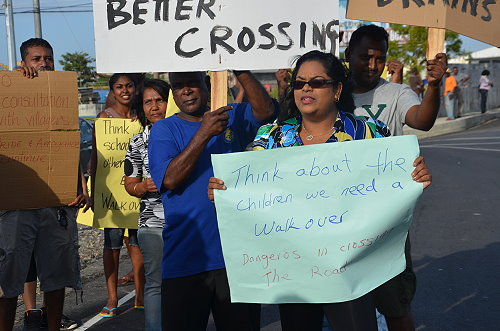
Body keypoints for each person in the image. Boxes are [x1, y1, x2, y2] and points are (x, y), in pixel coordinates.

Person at [208, 50, 432, 331]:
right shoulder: (271, 138)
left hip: (351, 270)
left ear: (337, 89)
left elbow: (393, 187)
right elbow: (249, 197)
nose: (306, 89)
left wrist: (415, 176)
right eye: (299, 83)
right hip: (294, 271)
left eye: (316, 82)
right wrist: (223, 194)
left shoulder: (369, 134)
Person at [148, 70, 277, 331]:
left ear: (207, 84)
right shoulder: (164, 129)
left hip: (235, 260)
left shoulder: (231, 114)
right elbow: (170, 179)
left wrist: (240, 69)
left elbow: (266, 113)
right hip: (185, 259)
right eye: (179, 86)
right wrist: (204, 133)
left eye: (192, 83)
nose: (186, 90)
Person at [345, 24, 446, 331]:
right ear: (349, 55)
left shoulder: (397, 92)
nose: (373, 65)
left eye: (380, 58)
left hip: (387, 222)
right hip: (338, 220)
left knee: (395, 305)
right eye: (366, 57)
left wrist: (433, 85)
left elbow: (422, 120)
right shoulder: (332, 93)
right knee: (346, 308)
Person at [0, 38, 86, 331]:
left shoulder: (61, 97)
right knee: (8, 277)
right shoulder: (9, 92)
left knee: (56, 275)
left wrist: (81, 185)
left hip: (55, 205)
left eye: (48, 58)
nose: (44, 64)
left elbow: (68, 144)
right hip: (16, 208)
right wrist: (14, 81)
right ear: (23, 63)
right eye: (36, 59)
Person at [87, 73, 145, 317]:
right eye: (120, 87)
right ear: (111, 90)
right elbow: (96, 157)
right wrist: (91, 190)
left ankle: (140, 294)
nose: (125, 91)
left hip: (136, 192)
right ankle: (112, 297)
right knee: (111, 247)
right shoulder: (103, 118)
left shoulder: (141, 117)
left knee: (136, 245)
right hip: (110, 194)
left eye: (129, 86)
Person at [124, 79, 170, 331]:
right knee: (155, 283)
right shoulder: (137, 142)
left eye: (159, 100)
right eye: (148, 102)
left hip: (187, 223)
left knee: (188, 283)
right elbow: (130, 184)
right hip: (152, 224)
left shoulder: (188, 134)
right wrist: (143, 187)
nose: (154, 107)